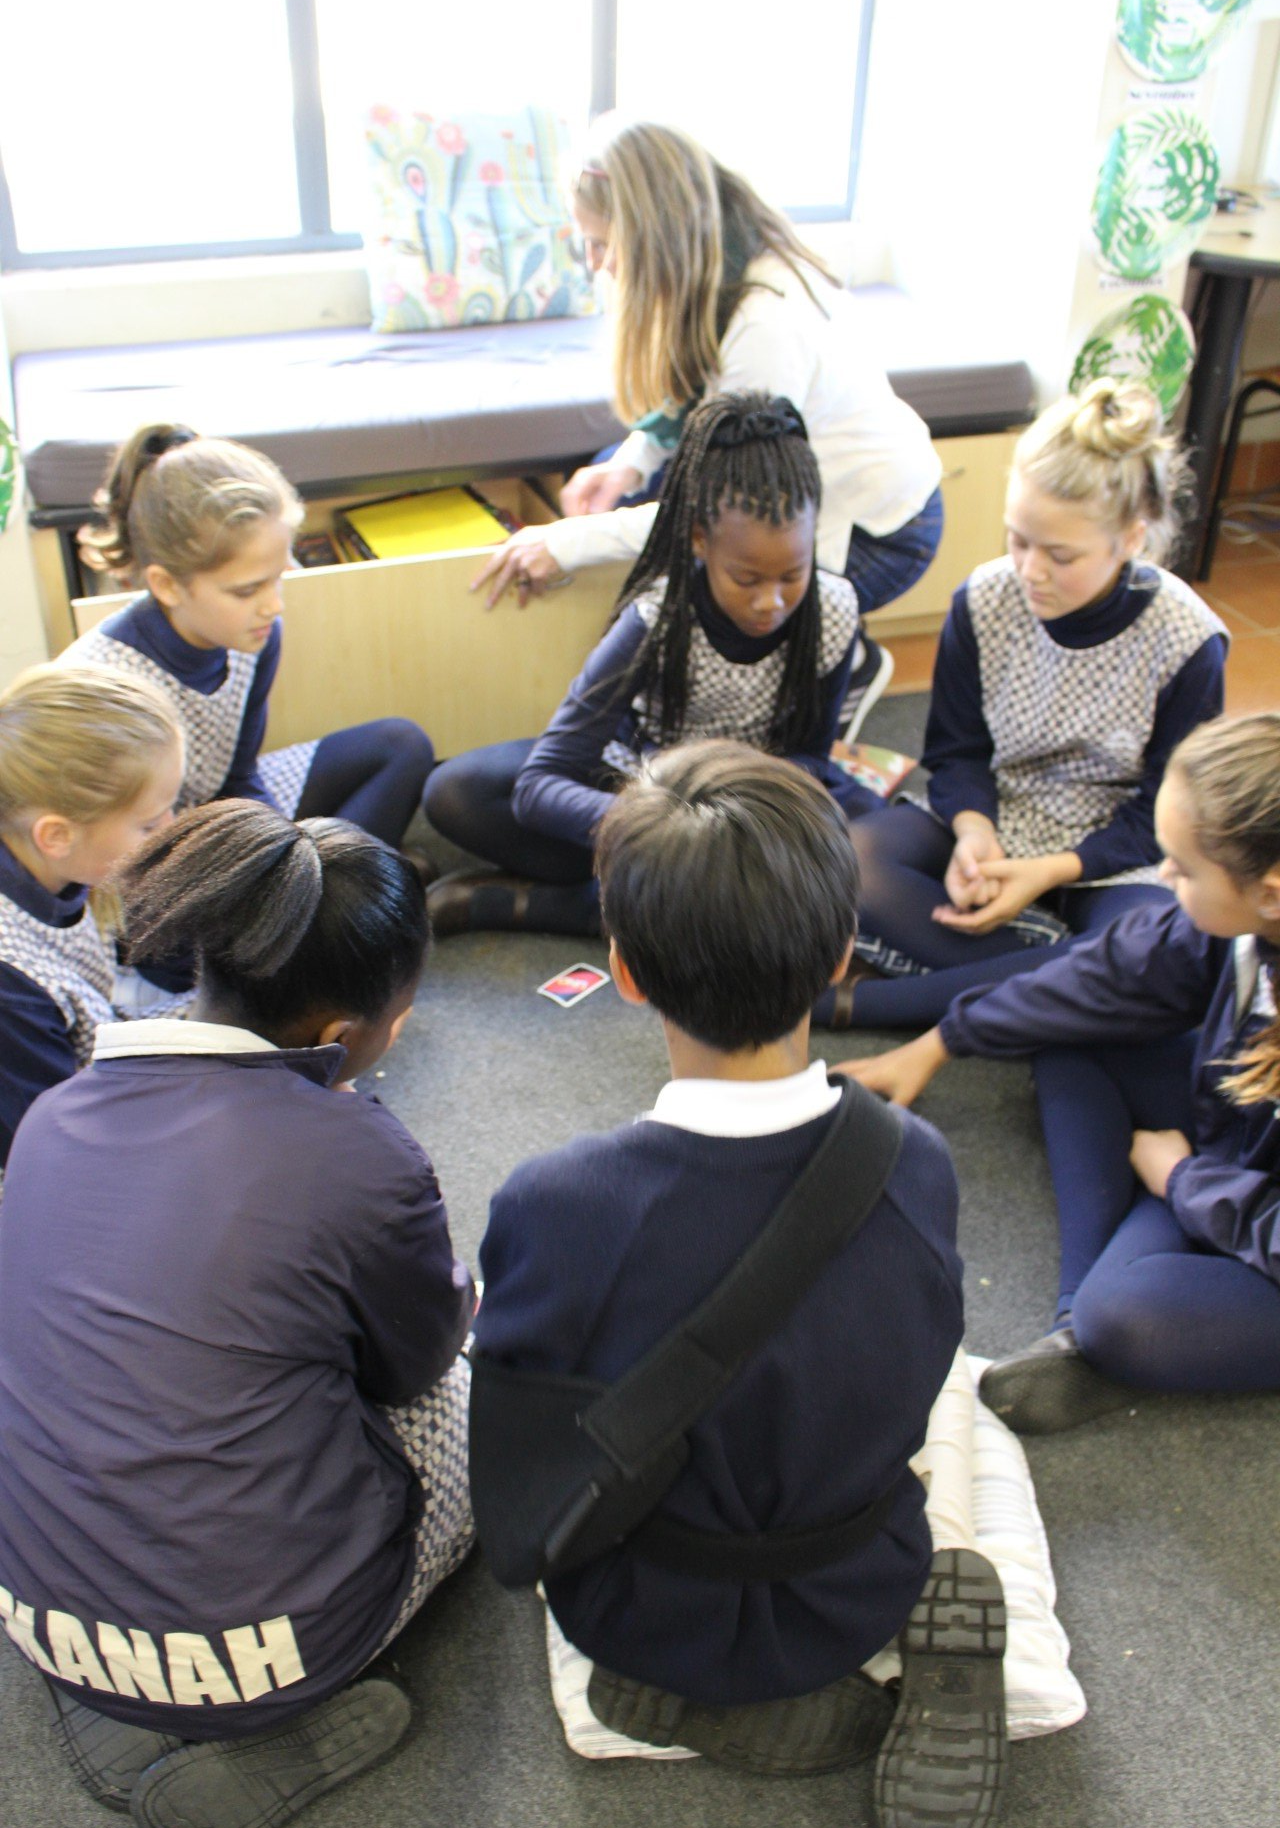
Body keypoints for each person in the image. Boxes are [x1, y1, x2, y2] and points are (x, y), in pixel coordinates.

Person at [472, 740, 1007, 1828]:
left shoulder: (553, 1201)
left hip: (635, 1609)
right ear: (832, 956)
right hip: (857, 1583)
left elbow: (520, 1428)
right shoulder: (911, 1160)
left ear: (623, 969)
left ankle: (688, 1704)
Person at [0, 800, 474, 1828]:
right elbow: (412, 1364)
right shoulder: (360, 1155)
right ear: (343, 1038)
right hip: (273, 1641)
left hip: (35, 1605)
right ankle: (281, 1719)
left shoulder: (53, 1114)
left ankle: (114, 1698)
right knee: (475, 1384)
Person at [839, 713, 1280, 1437]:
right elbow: (1105, 972)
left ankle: (1093, 1327)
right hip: (1238, 1139)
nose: (1164, 878)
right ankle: (1080, 1326)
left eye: (1183, 868)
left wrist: (1182, 1183)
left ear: (1270, 890)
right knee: (1069, 1032)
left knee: (1126, 1318)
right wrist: (942, 1041)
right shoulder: (1244, 924)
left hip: (1252, 1205)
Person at [473, 118, 944, 736]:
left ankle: (838, 660)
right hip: (798, 489)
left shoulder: (766, 327)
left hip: (876, 530)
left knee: (715, 587)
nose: (596, 264)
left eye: (601, 244)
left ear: (651, 237)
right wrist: (632, 460)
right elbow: (694, 392)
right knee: (623, 469)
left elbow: (713, 517)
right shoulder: (719, 262)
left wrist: (566, 543)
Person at [819, 378, 1227, 1031]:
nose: (1031, 570)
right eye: (1018, 541)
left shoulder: (1189, 640)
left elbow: (1165, 810)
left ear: (1131, 540)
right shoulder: (981, 600)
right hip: (1001, 818)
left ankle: (869, 1002)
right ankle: (1070, 984)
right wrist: (976, 832)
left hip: (1121, 856)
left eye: (1060, 555)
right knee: (847, 864)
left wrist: (1047, 873)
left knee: (1158, 943)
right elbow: (957, 752)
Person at [426, 392, 877, 936]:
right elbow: (540, 784)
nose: (771, 603)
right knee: (456, 792)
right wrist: (666, 826)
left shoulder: (833, 608)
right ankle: (675, 904)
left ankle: (562, 907)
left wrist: (742, 820)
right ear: (699, 541)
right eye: (747, 579)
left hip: (751, 811)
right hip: (647, 791)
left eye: (791, 575)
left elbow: (810, 760)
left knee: (883, 856)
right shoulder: (657, 617)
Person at [69, 424, 434, 850]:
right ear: (167, 585)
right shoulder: (107, 683)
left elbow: (238, 775)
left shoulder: (255, 634)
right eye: (247, 590)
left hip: (220, 811)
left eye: (277, 579)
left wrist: (278, 849)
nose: (273, 606)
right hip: (153, 848)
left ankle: (329, 886)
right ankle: (323, 895)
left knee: (401, 744)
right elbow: (112, 849)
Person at [0, 663, 184, 1168]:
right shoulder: (10, 984)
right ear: (56, 835)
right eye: (150, 824)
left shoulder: (62, 867)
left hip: (83, 1073)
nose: (171, 831)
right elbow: (51, 1146)